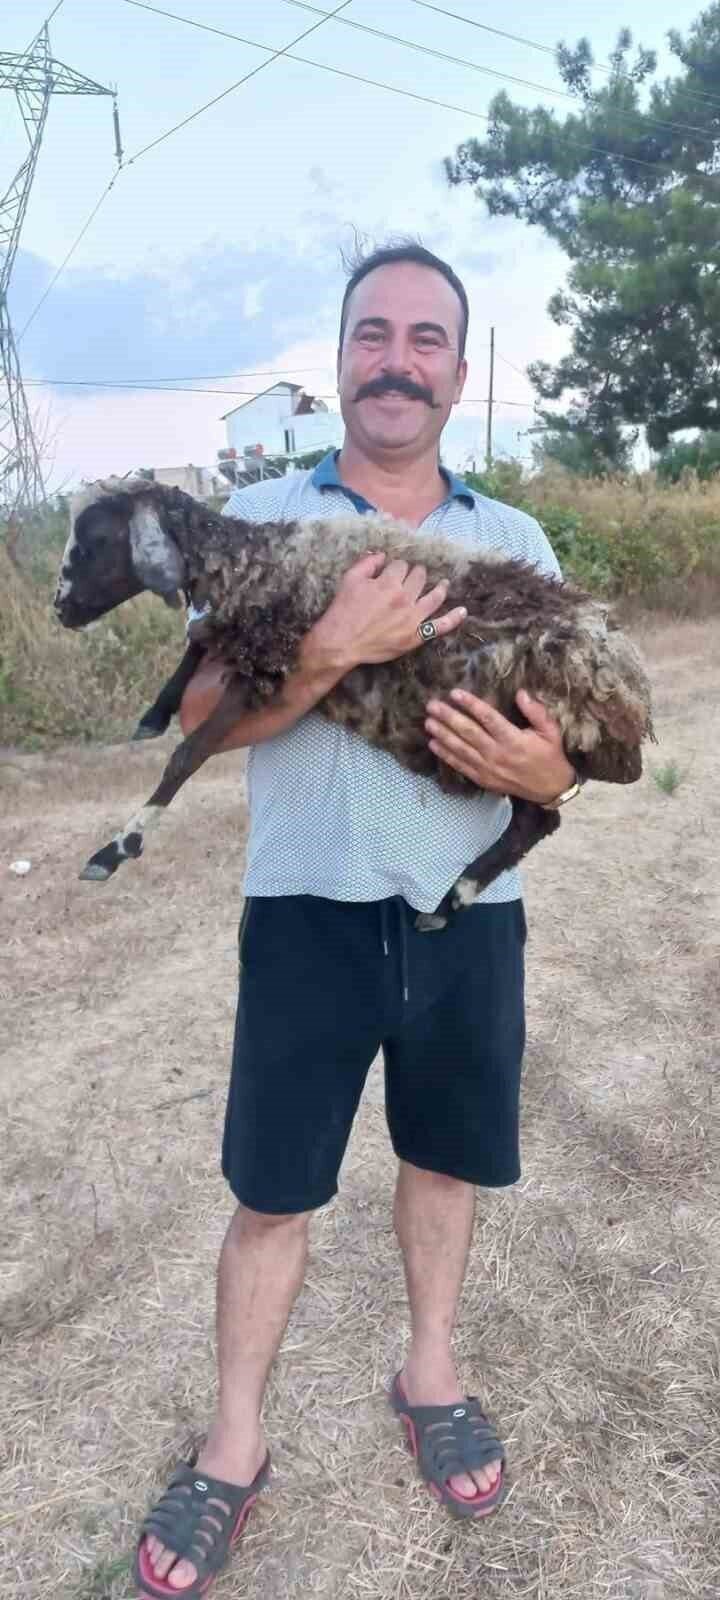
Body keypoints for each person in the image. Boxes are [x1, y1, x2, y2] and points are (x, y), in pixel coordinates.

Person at [134, 241, 580, 1599]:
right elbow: (201, 721)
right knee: (272, 1192)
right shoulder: (262, 519)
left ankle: (430, 1371)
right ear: (338, 359)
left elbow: (565, 749)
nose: (397, 361)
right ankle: (234, 1442)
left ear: (460, 368)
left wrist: (550, 778)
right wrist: (333, 647)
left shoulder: (513, 542)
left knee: (443, 1163)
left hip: (466, 918)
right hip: (305, 913)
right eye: (372, 334)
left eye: (425, 338)